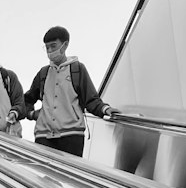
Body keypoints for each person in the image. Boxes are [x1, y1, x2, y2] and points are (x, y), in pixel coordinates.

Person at [22, 26, 116, 156]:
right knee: (43, 175)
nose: (49, 51)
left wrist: (105, 109)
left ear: (65, 45)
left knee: (69, 175)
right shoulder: (44, 73)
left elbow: (91, 99)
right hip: (44, 135)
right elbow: (27, 99)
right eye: (47, 47)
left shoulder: (77, 69)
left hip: (71, 135)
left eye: (53, 46)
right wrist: (31, 114)